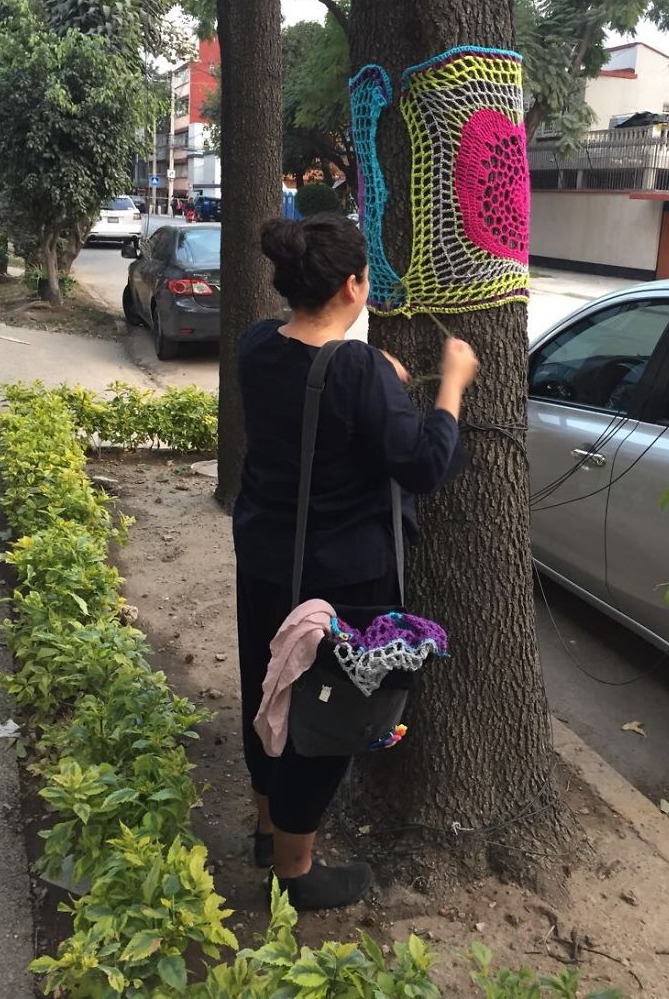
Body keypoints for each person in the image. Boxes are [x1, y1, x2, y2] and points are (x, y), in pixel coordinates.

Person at [233, 212, 479, 911]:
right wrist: (451, 383)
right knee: (321, 712)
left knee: (268, 687)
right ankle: (296, 871)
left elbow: (318, 392)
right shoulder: (360, 373)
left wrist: (377, 372)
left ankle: (264, 826)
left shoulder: (257, 346)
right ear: (351, 285)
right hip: (338, 579)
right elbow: (426, 463)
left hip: (265, 562)